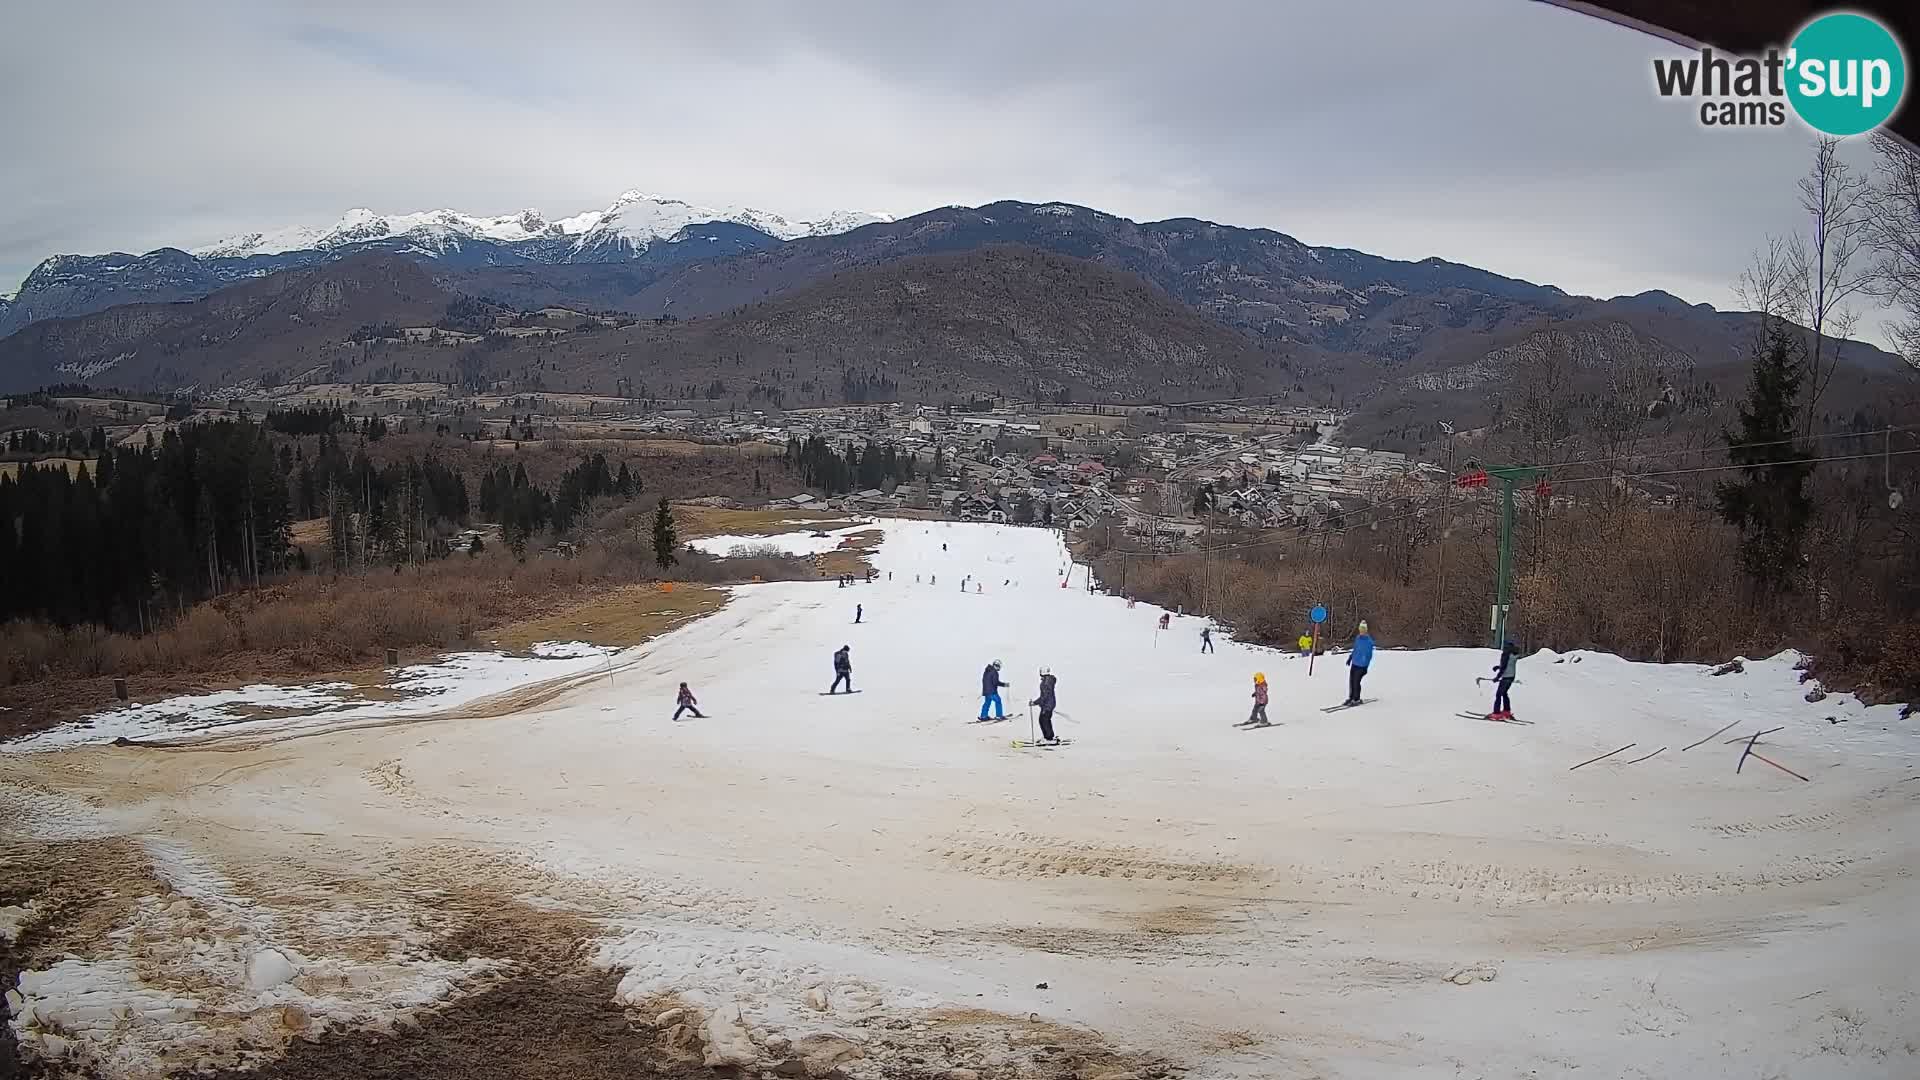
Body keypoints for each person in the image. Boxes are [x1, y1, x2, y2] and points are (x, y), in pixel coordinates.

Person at [1345, 621, 1374, 706]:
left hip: (1362, 666)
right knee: (1351, 681)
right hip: (1355, 663)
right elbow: (1355, 650)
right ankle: (1351, 697)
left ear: (1366, 631)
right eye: (1360, 629)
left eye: (1363, 630)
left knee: (1356, 682)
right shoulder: (1358, 638)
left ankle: (1356, 699)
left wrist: (1365, 664)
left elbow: (1369, 655)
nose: (1362, 631)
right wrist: (1350, 658)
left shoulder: (1369, 641)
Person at [1490, 640, 1520, 719]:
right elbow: (1508, 665)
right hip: (1511, 676)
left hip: (1505, 677)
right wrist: (1498, 667)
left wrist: (1497, 677)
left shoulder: (1505, 654)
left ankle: (1496, 713)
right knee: (1504, 693)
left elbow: (1504, 667)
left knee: (1499, 694)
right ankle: (1507, 711)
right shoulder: (1513, 654)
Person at [1031, 671, 1059, 743]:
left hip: (1047, 705)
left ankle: (1049, 738)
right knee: (1045, 720)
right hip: (1049, 704)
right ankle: (1049, 737)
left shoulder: (1045, 683)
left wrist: (1035, 702)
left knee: (1043, 720)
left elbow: (1044, 696)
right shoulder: (1049, 680)